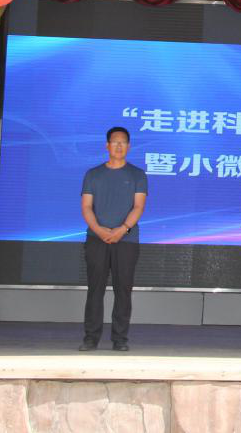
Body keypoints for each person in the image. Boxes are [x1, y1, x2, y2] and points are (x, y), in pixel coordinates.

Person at [79, 126, 147, 352]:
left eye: (123, 142)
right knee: (95, 289)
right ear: (107, 145)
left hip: (126, 240)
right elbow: (86, 207)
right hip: (96, 239)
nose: (119, 146)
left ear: (129, 146)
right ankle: (91, 338)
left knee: (123, 290)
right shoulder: (93, 174)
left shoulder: (137, 175)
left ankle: (120, 339)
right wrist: (99, 230)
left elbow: (138, 207)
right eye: (115, 142)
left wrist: (122, 229)